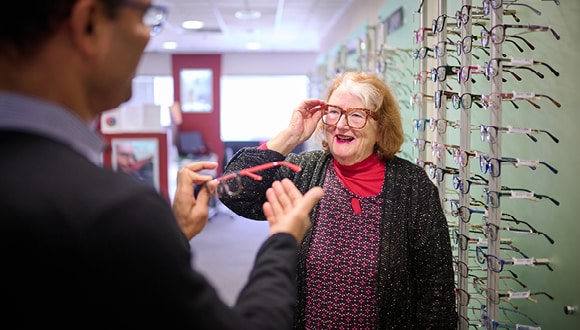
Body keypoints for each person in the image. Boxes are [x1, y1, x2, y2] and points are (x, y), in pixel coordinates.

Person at [0, 1, 324, 328]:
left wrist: (173, 234)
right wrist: (283, 239)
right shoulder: (110, 210)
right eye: (145, 17)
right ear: (90, 23)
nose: (148, 36)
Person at [219, 72, 457, 329]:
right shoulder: (304, 171)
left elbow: (436, 290)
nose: (342, 125)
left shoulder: (413, 185)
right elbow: (233, 191)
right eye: (334, 112)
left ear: (381, 127)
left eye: (356, 114)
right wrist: (290, 136)